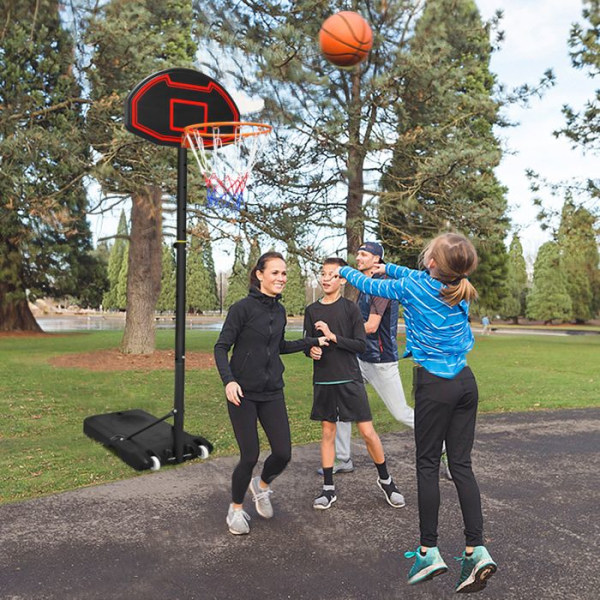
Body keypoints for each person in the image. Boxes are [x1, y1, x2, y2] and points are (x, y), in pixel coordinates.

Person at [336, 233, 497, 593]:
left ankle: (429, 550)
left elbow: (364, 282)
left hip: (435, 386)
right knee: (462, 466)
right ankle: (476, 548)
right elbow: (411, 274)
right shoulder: (458, 286)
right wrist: (387, 265)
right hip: (465, 383)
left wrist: (344, 269)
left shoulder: (414, 289)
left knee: (426, 465)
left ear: (434, 263)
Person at [314, 241, 451, 481]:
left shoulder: (383, 287)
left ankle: (444, 445)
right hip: (358, 358)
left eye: (364, 254)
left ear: (376, 260)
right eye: (358, 254)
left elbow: (371, 326)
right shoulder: (363, 287)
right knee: (340, 407)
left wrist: (335, 335)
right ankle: (343, 458)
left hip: (381, 360)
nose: (358, 258)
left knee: (400, 413)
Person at [214, 251, 328, 535]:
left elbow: (278, 347)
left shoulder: (278, 311)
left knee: (283, 453)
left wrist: (311, 342)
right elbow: (221, 347)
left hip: (272, 390)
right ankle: (236, 510)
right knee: (250, 455)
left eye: (284, 273)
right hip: (242, 392)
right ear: (260, 275)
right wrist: (229, 380)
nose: (281, 278)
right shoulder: (241, 309)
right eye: (275, 272)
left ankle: (261, 486)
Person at [304, 257, 405, 511]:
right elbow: (308, 342)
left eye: (333, 275)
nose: (327, 278)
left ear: (342, 280)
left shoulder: (350, 309)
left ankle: (386, 481)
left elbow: (359, 345)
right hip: (325, 379)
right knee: (328, 433)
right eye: (323, 274)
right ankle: (328, 490)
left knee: (368, 433)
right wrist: (312, 351)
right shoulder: (311, 310)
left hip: (350, 377)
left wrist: (332, 336)